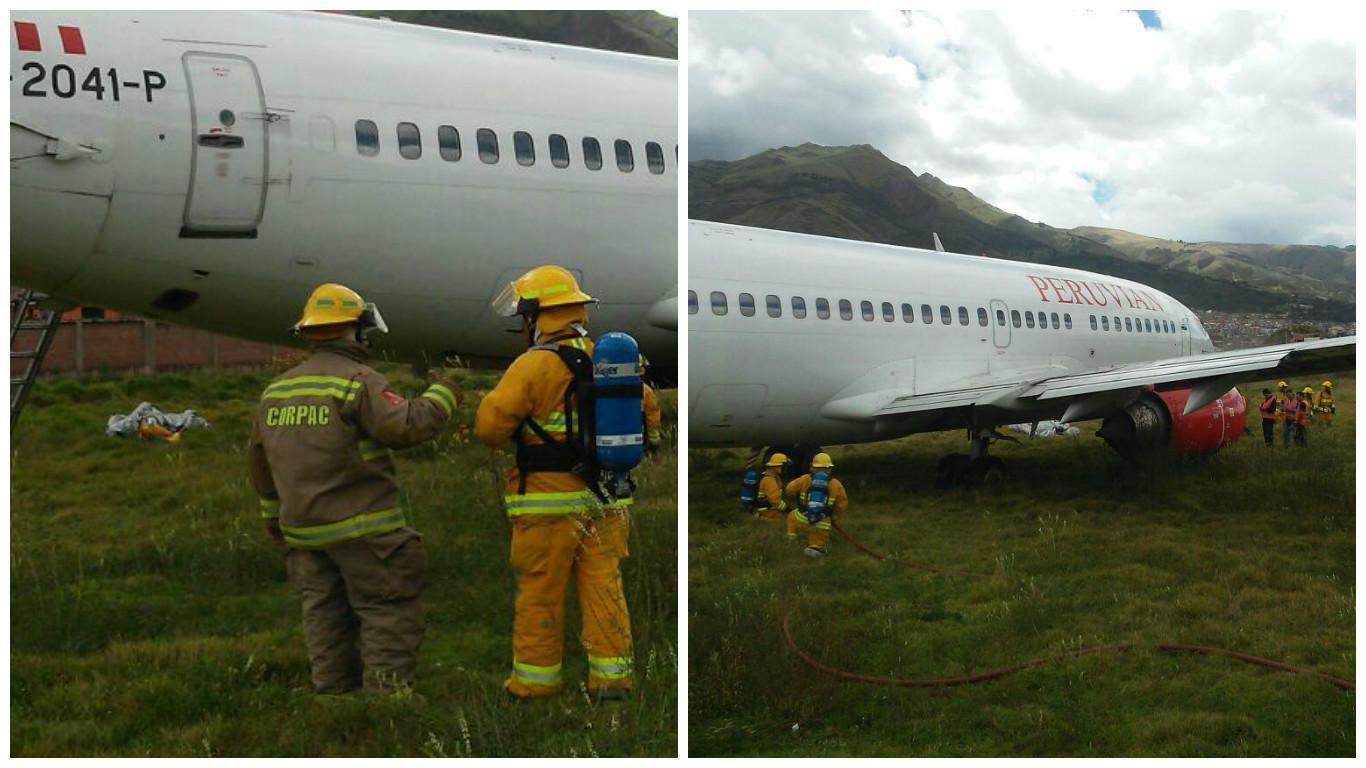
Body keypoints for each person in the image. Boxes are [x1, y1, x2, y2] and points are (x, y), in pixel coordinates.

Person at [247, 283, 457, 698]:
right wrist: (445, 393)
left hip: (303, 530)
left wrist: (273, 517)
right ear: (357, 329)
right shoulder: (358, 380)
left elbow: (259, 459)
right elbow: (405, 426)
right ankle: (386, 699)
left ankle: (333, 696)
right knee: (386, 608)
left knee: (323, 614)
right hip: (364, 530)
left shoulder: (277, 389)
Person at [475, 265, 633, 702]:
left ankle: (534, 683)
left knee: (541, 591)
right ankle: (612, 682)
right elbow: (647, 413)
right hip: (607, 499)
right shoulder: (611, 360)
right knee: (604, 589)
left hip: (547, 504)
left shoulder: (533, 365)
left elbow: (490, 428)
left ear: (535, 317)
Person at [785, 452, 849, 558]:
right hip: (821, 521)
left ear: (813, 468)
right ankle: (816, 547)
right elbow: (842, 503)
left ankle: (791, 541)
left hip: (801, 517)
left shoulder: (805, 479)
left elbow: (789, 489)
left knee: (792, 517)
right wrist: (835, 514)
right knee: (818, 538)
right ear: (830, 469)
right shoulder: (835, 484)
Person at [753, 453, 790, 520]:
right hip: (768, 511)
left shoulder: (772, 476)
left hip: (772, 508)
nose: (785, 468)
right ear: (777, 466)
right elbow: (775, 501)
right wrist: (787, 509)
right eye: (783, 466)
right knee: (792, 519)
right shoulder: (769, 480)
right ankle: (762, 517)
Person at [640, 354, 663, 454]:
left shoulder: (603, 388)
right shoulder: (646, 391)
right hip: (638, 440)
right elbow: (653, 417)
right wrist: (654, 442)